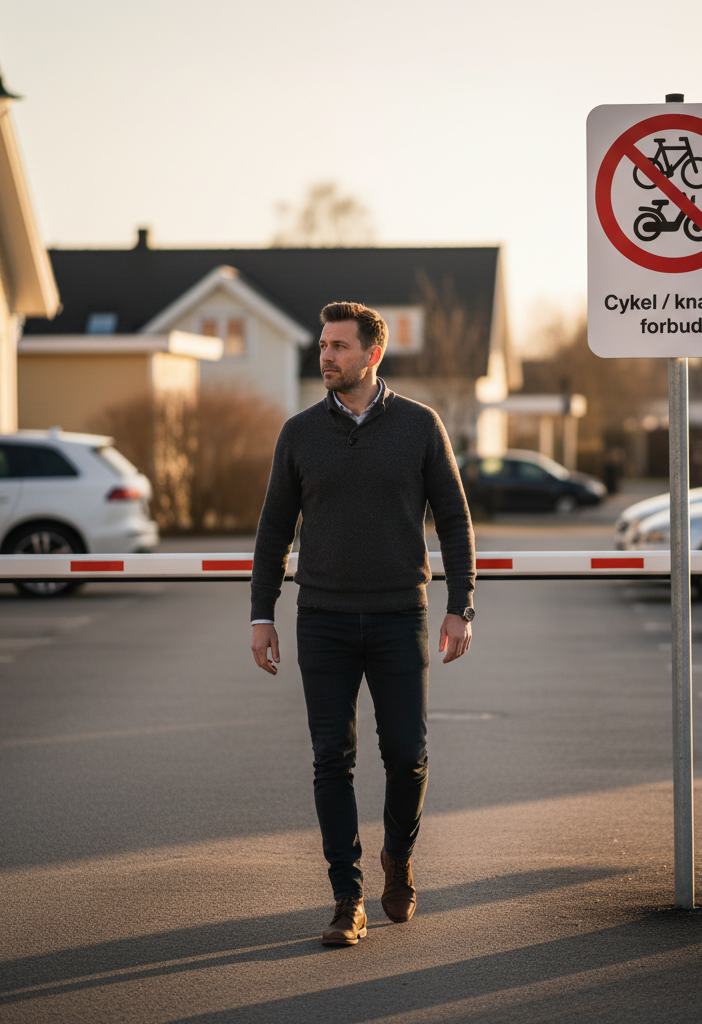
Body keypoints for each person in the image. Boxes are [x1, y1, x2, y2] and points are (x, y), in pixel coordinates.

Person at [249, 300, 476, 947]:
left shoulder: (420, 426)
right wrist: (262, 613)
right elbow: (273, 531)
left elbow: (454, 520)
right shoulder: (298, 433)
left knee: (407, 754)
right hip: (322, 618)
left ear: (372, 355)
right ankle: (346, 898)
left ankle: (397, 857)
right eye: (323, 345)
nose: (325, 355)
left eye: (339, 346)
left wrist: (460, 604)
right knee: (331, 758)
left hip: (400, 614)